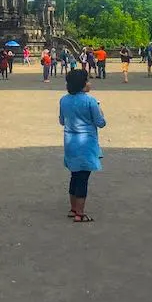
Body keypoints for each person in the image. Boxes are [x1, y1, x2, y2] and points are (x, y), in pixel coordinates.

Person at [59, 68, 106, 223]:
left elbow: (62, 121)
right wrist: (99, 107)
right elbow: (101, 123)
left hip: (70, 142)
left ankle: (73, 209)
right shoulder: (90, 101)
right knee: (83, 179)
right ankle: (80, 213)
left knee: (74, 175)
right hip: (86, 143)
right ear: (83, 84)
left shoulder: (64, 100)